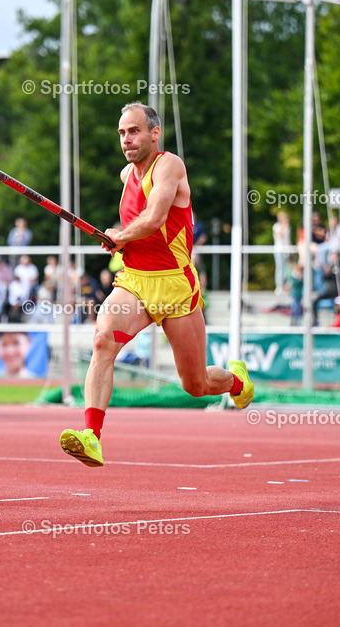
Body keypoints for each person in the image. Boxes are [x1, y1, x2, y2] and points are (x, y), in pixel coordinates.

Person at [59, 102, 254, 468]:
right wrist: (119, 239)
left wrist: (120, 236)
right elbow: (136, 229)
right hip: (135, 281)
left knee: (194, 385)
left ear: (154, 133)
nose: (126, 139)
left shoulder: (169, 165)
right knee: (102, 341)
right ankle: (91, 436)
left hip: (175, 286)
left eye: (133, 131)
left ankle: (236, 382)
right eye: (121, 133)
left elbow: (154, 218)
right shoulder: (125, 176)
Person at [272, 211, 291, 295]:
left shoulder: (288, 227)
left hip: (286, 250)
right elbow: (280, 234)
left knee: (287, 269)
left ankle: (286, 286)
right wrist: (283, 226)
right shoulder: (276, 226)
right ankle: (279, 286)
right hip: (279, 250)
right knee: (280, 268)